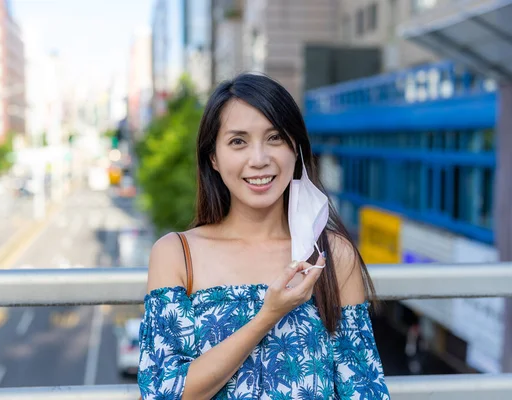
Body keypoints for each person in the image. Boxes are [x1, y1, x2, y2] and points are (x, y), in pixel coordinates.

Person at [138, 73, 391, 399]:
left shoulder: (330, 254)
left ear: (296, 149)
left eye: (275, 138)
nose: (259, 160)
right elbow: (162, 391)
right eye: (238, 142)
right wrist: (268, 315)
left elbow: (364, 389)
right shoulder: (176, 253)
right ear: (213, 157)